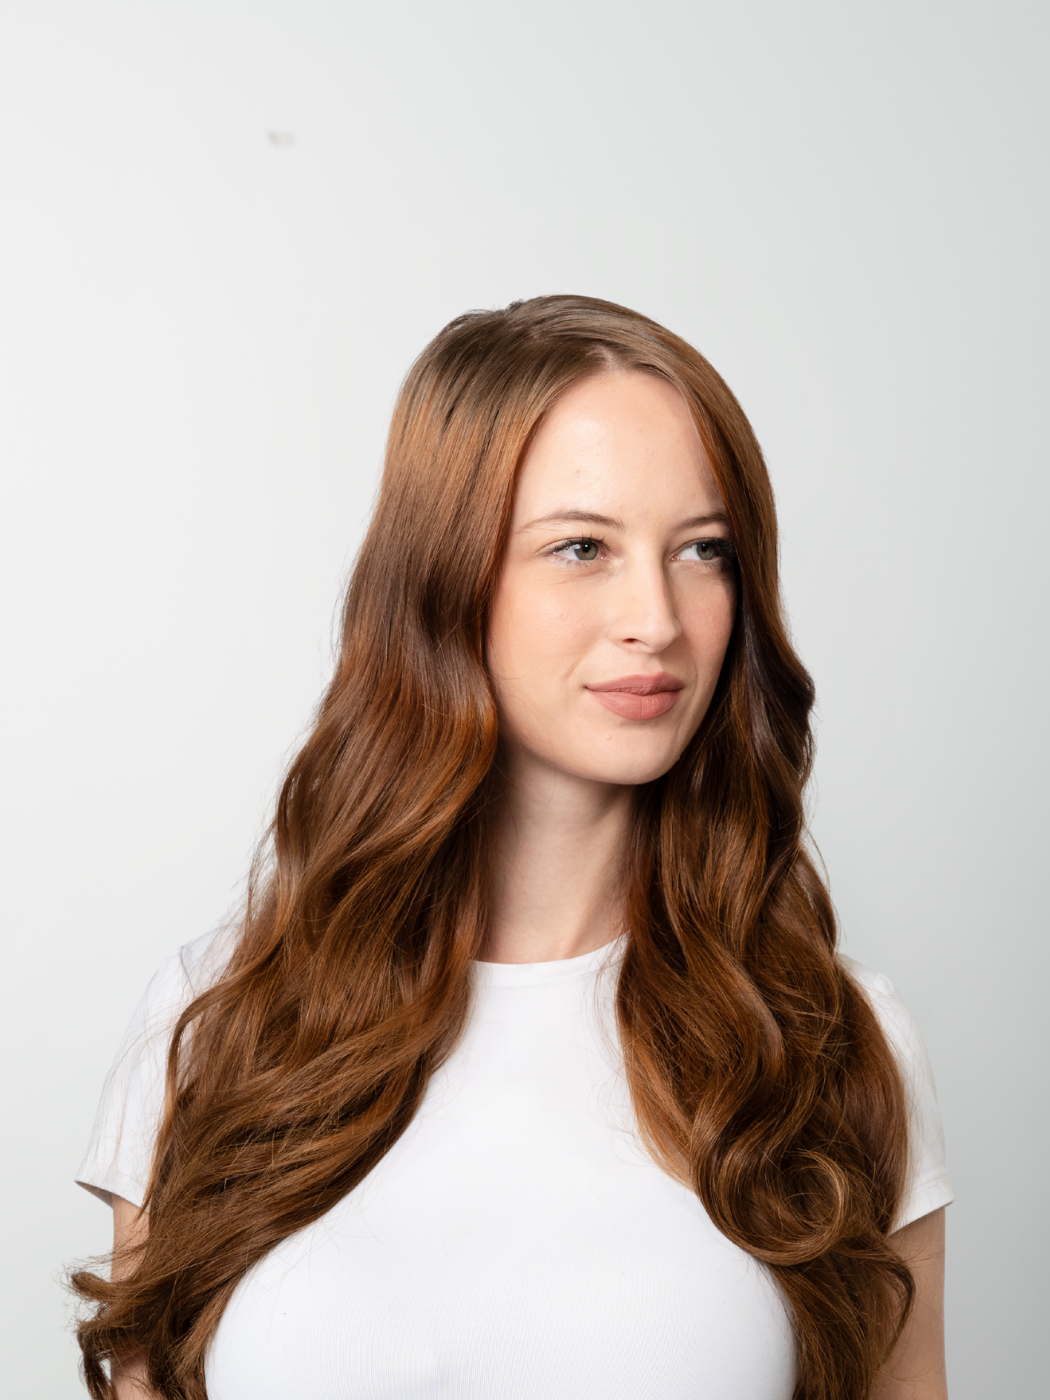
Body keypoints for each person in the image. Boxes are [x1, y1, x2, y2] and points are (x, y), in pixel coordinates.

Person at [73, 295, 952, 1400]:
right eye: (582, 546)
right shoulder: (221, 1019)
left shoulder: (833, 1045)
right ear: (446, 575)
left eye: (704, 550)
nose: (657, 616)